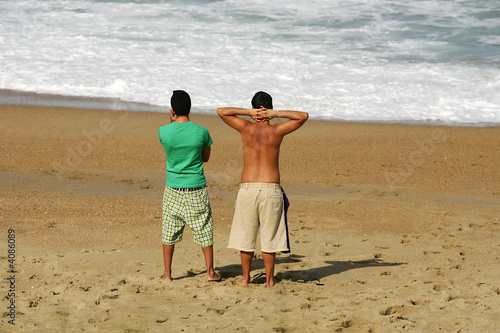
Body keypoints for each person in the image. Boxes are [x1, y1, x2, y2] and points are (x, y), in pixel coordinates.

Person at [217, 91, 309, 287]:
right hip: (271, 189)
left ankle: (245, 278)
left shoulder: (246, 128)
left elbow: (222, 112)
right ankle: (269, 280)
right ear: (270, 108)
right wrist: (275, 114)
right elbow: (303, 116)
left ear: (253, 108)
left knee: (246, 236)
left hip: (248, 189)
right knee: (270, 237)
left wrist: (247, 113)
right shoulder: (276, 131)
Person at [158, 90, 224, 282]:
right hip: (196, 187)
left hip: (173, 188)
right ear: (190, 108)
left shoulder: (163, 131)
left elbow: (170, 147)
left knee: (169, 229)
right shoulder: (202, 131)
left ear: (172, 110)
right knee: (204, 227)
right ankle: (210, 272)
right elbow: (205, 158)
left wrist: (172, 122)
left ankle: (167, 274)